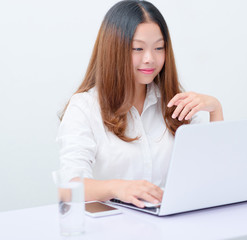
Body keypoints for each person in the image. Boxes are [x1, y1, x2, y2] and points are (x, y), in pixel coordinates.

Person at [57, 0, 223, 208]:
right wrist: (117, 188)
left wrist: (215, 109)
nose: (149, 59)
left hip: (172, 223)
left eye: (159, 48)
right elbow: (67, 188)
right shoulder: (84, 106)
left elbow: (212, 174)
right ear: (113, 50)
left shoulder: (174, 103)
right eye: (137, 48)